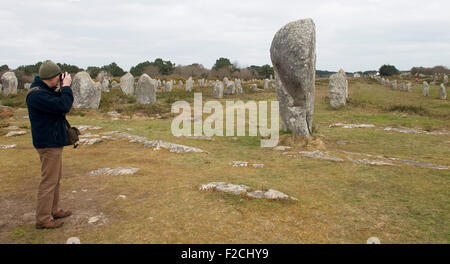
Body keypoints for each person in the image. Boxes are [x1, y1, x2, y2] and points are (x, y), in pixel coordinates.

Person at [26, 60, 74, 229]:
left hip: (52, 141)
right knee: (48, 182)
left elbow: (58, 102)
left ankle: (53, 210)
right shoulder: (37, 95)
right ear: (51, 77)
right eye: (58, 76)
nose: (60, 79)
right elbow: (64, 105)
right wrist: (66, 87)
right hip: (48, 143)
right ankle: (43, 218)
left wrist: (61, 88)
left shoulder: (44, 91)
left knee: (55, 179)